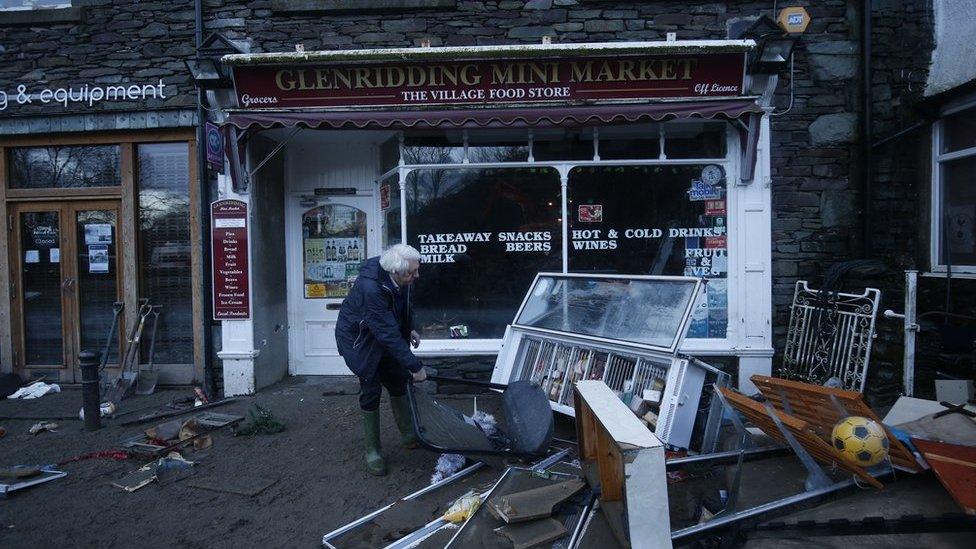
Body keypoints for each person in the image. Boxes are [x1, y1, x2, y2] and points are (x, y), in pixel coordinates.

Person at [335, 244, 427, 476]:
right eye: (413, 272)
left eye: (417, 270)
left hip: (382, 333)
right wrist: (415, 365)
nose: (417, 275)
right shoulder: (371, 288)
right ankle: (372, 451)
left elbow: (402, 307)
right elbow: (384, 331)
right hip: (360, 341)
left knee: (397, 380)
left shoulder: (400, 275)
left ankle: (408, 434)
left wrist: (409, 330)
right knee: (371, 389)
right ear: (396, 271)